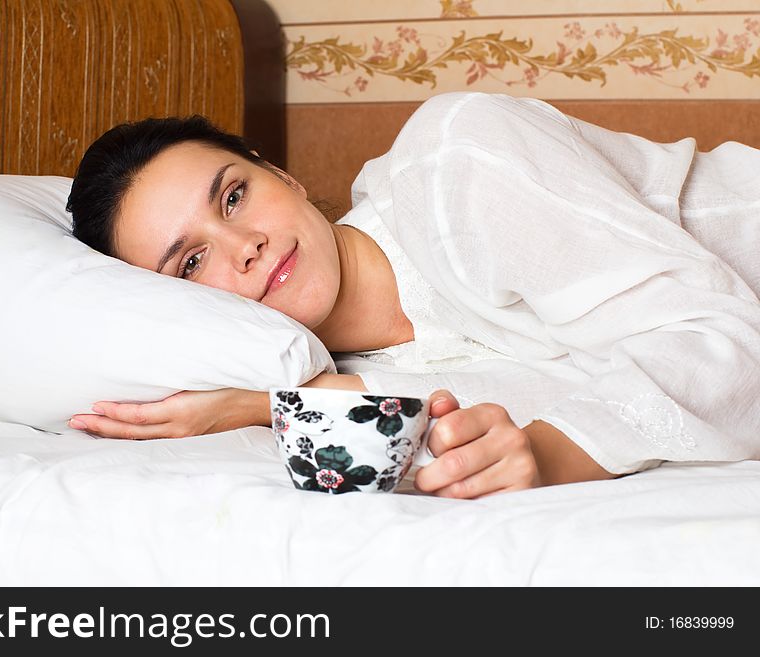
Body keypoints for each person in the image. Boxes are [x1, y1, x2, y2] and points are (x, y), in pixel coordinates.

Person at [66, 91, 760, 500]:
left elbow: (727, 344)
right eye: (191, 262)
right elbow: (569, 376)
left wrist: (547, 455)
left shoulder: (455, 158)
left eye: (235, 195)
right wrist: (266, 404)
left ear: (283, 174)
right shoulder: (364, 383)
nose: (242, 243)